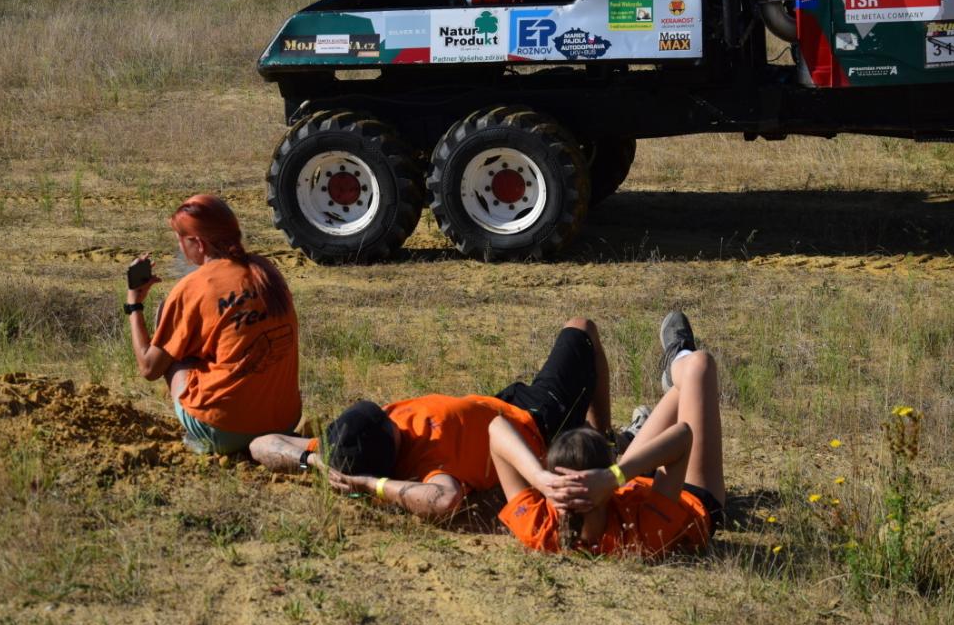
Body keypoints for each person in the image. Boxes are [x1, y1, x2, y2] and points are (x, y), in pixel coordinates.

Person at [250, 317, 612, 521]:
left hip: (498, 403)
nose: (391, 414)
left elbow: (260, 444)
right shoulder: (430, 463)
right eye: (387, 422)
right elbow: (443, 500)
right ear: (389, 449)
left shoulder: (344, 446)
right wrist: (369, 485)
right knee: (581, 328)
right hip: (535, 420)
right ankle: (604, 437)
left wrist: (314, 461)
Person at [491, 311, 725, 557]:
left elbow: (497, 428)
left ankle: (674, 379)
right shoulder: (643, 535)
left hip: (633, 479)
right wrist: (615, 476)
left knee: (692, 381)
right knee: (699, 366)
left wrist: (539, 479)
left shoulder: (542, 529)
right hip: (685, 493)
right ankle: (679, 357)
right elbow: (683, 437)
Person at [125, 194, 301, 455]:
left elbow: (149, 368)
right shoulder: (267, 271)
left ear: (199, 243)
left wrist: (134, 305)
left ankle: (206, 436)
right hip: (285, 422)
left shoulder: (194, 287)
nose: (179, 247)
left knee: (171, 339)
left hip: (224, 430)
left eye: (180, 239)